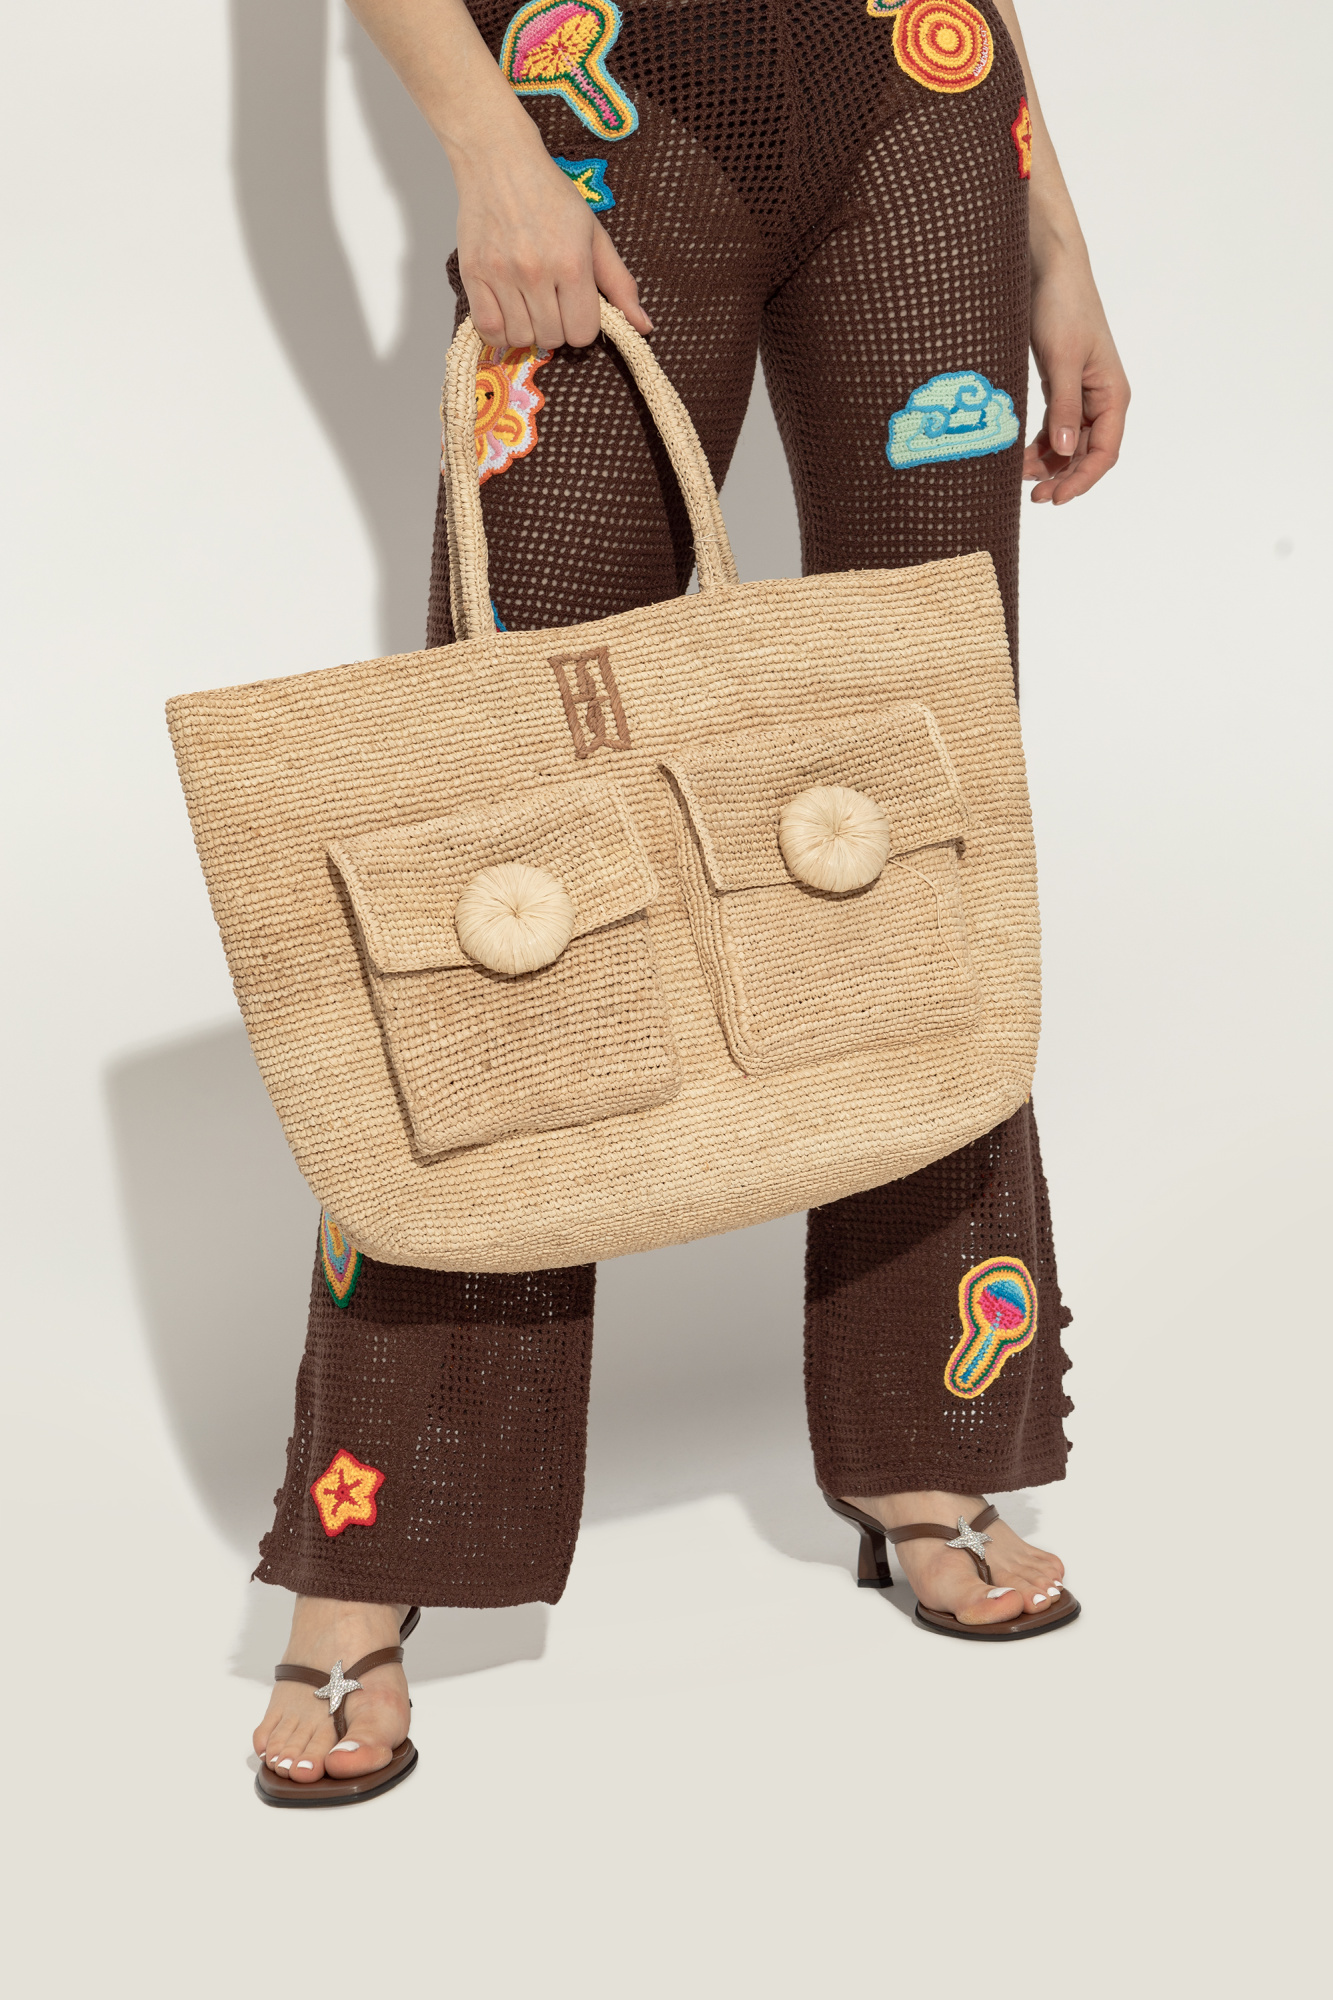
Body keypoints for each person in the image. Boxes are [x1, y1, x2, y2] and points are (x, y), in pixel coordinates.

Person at [252, 0, 1129, 1800]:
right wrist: (490, 144)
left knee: (915, 797)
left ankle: (924, 1427)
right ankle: (387, 1519)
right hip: (600, 91)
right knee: (509, 842)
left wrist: (1053, 232)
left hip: (920, 100)